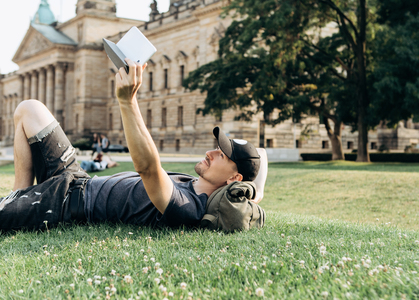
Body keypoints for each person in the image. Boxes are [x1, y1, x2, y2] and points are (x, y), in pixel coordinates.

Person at [0, 59, 268, 231]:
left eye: (221, 155)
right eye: (216, 148)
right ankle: (20, 194)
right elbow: (257, 183)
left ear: (234, 177)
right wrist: (256, 165)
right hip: (75, 176)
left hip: (66, 202)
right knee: (29, 109)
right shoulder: (208, 184)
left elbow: (148, 168)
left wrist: (128, 101)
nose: (210, 152)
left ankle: (17, 205)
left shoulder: (188, 207)